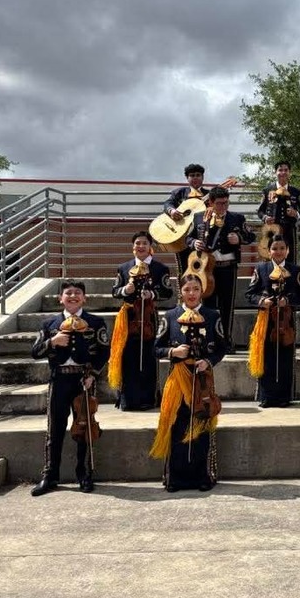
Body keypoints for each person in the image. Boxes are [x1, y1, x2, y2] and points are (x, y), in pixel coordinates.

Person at [30, 281, 110, 496]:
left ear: (84, 298)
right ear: (60, 298)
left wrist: (92, 375)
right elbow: (35, 351)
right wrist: (52, 342)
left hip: (83, 380)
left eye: (77, 293)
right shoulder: (50, 324)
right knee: (54, 428)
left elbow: (104, 352)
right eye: (68, 293)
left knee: (84, 427)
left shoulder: (95, 322)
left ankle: (83, 473)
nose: (73, 296)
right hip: (59, 380)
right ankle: (50, 475)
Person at [150, 274, 227, 492]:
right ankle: (175, 477)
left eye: (195, 289)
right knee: (177, 425)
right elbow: (156, 348)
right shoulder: (171, 315)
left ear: (201, 291)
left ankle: (202, 477)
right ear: (180, 292)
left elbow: (222, 347)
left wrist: (208, 361)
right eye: (187, 289)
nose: (191, 293)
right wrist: (172, 351)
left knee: (202, 425)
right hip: (177, 380)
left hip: (202, 381)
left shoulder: (212, 315)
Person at [108, 231, 173, 410]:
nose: (141, 246)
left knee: (149, 355)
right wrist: (125, 291)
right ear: (133, 247)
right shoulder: (123, 267)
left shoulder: (160, 268)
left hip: (149, 316)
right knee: (127, 355)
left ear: (150, 247)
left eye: (144, 243)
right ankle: (127, 399)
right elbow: (114, 291)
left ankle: (148, 399)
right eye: (137, 243)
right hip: (128, 317)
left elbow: (168, 292)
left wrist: (151, 294)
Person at [187, 185, 255, 351]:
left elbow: (251, 236)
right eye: (219, 203)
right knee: (208, 306)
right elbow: (187, 238)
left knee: (227, 306)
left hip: (227, 267)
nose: (223, 207)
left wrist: (238, 238)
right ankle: (208, 340)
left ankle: (226, 341)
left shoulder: (237, 218)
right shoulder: (198, 217)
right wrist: (193, 243)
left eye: (226, 203)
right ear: (210, 202)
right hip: (206, 269)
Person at [246, 235, 300, 407]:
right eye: (275, 248)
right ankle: (267, 396)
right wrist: (262, 301)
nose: (278, 251)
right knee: (267, 357)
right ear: (269, 251)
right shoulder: (261, 268)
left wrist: (288, 301)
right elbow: (250, 294)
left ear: (287, 250)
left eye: (282, 248)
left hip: (286, 321)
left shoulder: (294, 270)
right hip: (266, 320)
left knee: (285, 358)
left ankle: (284, 397)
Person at [164, 163, 211, 276]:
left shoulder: (209, 195)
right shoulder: (179, 193)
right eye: (192, 175)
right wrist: (172, 211)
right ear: (187, 178)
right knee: (183, 271)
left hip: (201, 238)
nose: (195, 177)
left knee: (203, 270)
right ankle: (183, 293)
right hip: (181, 238)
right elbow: (168, 203)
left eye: (198, 175)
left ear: (203, 177)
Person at [257, 161, 300, 266]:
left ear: (290, 173)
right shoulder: (267, 190)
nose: (283, 172)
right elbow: (260, 211)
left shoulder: (296, 192)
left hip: (289, 231)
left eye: (286, 170)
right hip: (271, 231)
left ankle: (290, 281)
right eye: (280, 170)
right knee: (270, 259)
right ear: (275, 172)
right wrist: (265, 218)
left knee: (290, 260)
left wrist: (296, 214)